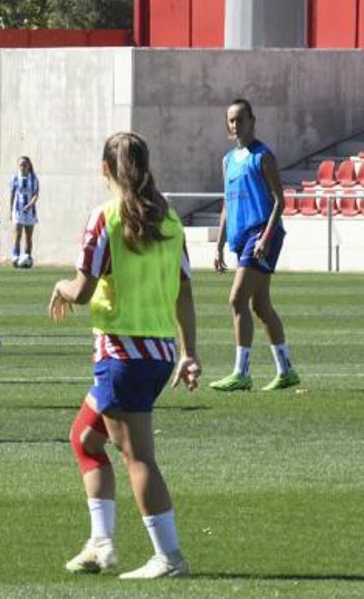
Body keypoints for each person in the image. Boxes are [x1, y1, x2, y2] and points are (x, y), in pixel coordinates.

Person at [49, 131, 200, 580]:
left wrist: (59, 288)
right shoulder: (170, 219)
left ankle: (169, 557)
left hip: (122, 355)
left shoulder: (106, 218)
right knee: (85, 439)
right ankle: (101, 543)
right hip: (156, 353)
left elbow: (83, 290)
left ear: (104, 170)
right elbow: (186, 291)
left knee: (139, 457)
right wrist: (189, 352)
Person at [209, 98, 300, 392]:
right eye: (232, 120)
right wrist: (219, 243)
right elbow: (227, 204)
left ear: (252, 120)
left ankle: (242, 372)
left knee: (236, 299)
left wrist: (265, 238)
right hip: (241, 237)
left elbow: (279, 201)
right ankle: (286, 370)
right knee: (260, 305)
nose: (236, 125)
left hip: (262, 233)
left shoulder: (263, 157)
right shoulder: (227, 160)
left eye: (241, 119)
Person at [9, 156, 40, 266]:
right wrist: (10, 211)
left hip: (30, 211)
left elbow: (36, 194)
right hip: (18, 210)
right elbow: (12, 195)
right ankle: (15, 256)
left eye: (24, 165)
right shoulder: (15, 178)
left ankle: (27, 257)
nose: (22, 167)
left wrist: (30, 205)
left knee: (28, 236)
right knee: (17, 234)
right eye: (20, 165)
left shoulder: (33, 179)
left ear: (29, 166)